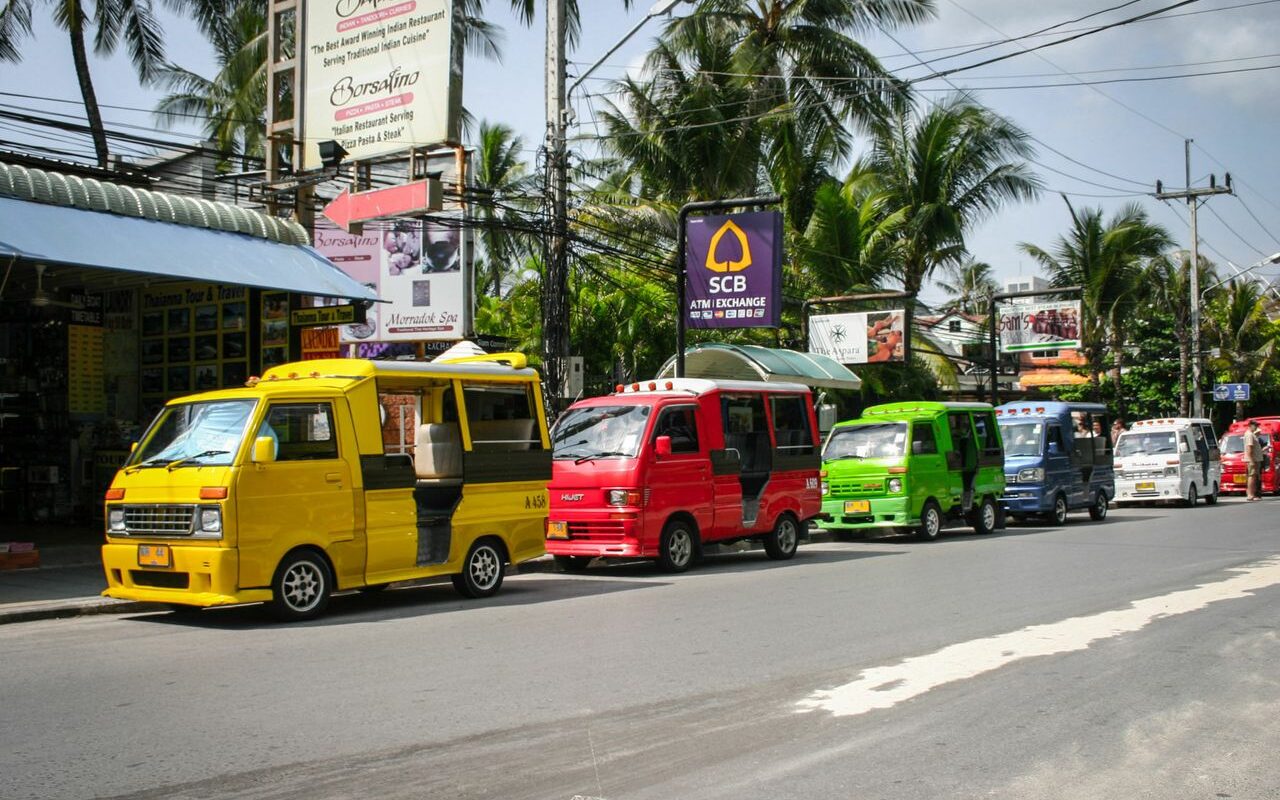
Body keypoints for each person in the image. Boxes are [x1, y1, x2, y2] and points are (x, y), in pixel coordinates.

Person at [1244, 419, 1264, 501]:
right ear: (1250, 425)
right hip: (1253, 459)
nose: (1256, 427)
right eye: (1255, 425)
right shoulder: (1249, 435)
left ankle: (1253, 494)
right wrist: (1251, 460)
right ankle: (1250, 494)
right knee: (1251, 476)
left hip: (1255, 459)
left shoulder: (1252, 434)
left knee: (1254, 476)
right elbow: (1249, 448)